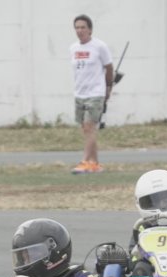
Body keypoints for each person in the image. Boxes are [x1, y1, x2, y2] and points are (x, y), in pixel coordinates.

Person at [69, 14, 114, 175]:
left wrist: (108, 87)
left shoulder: (99, 46)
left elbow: (109, 68)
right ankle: (95, 164)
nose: (80, 30)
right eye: (77, 27)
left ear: (90, 29)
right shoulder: (73, 48)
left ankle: (85, 161)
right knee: (86, 130)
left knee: (90, 126)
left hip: (96, 93)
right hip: (80, 93)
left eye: (83, 27)